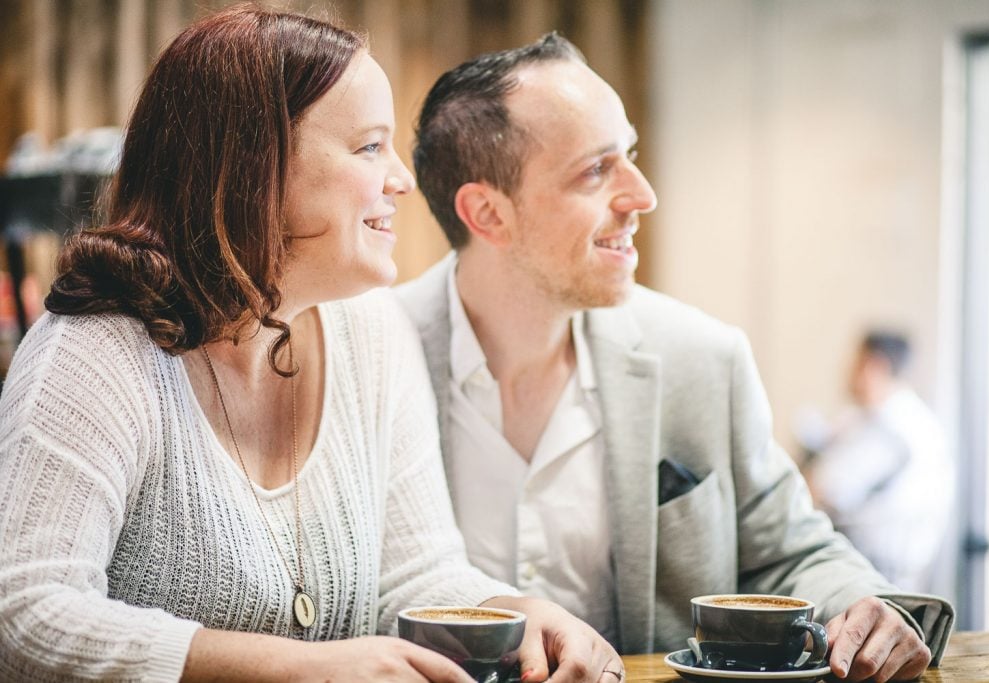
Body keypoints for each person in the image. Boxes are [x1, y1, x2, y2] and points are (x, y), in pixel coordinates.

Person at [0, 8, 623, 682]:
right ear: (252, 167)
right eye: (368, 147)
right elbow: (26, 613)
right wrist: (294, 667)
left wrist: (513, 609)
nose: (403, 179)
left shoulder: (374, 329)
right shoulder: (93, 350)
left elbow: (415, 571)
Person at [395, 33, 953, 682]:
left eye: (628, 154)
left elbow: (791, 552)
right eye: (596, 170)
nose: (642, 194)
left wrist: (868, 607)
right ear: (487, 213)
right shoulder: (371, 357)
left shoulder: (702, 359)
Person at [801, 332, 953, 594]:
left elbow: (825, 489)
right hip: (884, 568)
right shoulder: (904, 417)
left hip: (873, 572)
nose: (846, 372)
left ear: (874, 366)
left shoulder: (892, 426)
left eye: (855, 362)